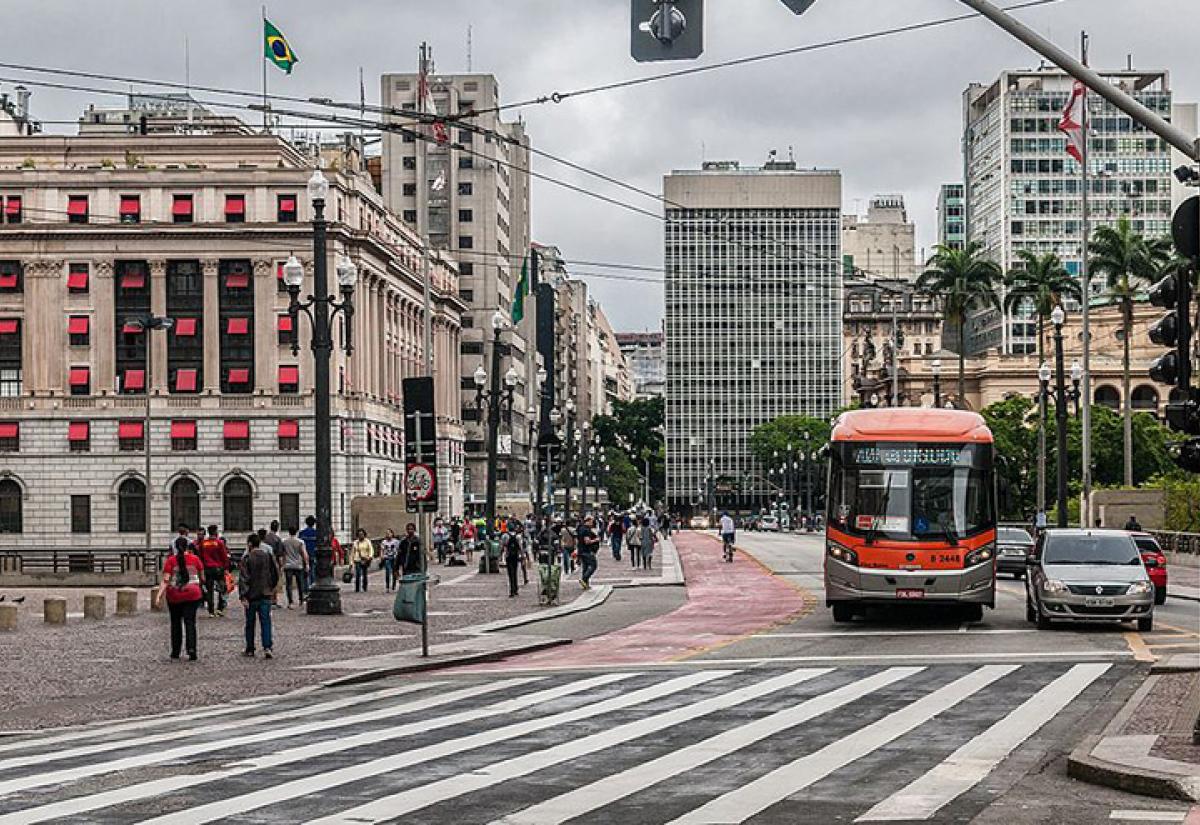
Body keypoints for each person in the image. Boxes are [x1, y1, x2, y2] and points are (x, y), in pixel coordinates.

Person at [159, 535, 204, 661]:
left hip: (174, 595)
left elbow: (166, 579)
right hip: (193, 594)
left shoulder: (171, 560)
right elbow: (203, 578)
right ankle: (192, 649)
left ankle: (175, 651)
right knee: (190, 622)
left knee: (175, 623)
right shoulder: (195, 559)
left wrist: (159, 595)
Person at [238, 533, 279, 658]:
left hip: (251, 595)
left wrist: (243, 595)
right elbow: (275, 574)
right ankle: (267, 647)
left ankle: (250, 648)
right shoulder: (267, 556)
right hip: (265, 593)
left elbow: (244, 578)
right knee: (266, 622)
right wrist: (271, 587)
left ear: (250, 544)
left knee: (250, 623)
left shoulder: (247, 558)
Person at [197, 525, 229, 618]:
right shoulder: (219, 543)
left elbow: (200, 556)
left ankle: (211, 610)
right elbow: (224, 556)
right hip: (218, 568)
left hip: (207, 569)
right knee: (222, 589)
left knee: (209, 590)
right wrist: (226, 567)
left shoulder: (203, 543)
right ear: (215, 532)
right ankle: (219, 609)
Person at [280, 525, 308, 608]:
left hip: (288, 565)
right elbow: (304, 553)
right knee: (300, 583)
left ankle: (290, 602)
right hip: (298, 565)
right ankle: (301, 600)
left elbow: (283, 554)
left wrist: (282, 565)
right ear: (296, 532)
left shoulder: (284, 541)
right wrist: (306, 564)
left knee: (289, 584)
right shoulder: (300, 542)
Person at [576, 515, 601, 590]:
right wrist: (596, 540)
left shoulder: (580, 528)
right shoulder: (586, 530)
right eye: (592, 521)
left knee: (585, 567)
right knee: (593, 565)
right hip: (587, 550)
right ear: (588, 521)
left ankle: (585, 584)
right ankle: (584, 579)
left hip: (581, 550)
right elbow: (587, 541)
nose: (592, 523)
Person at [502, 519, 524, 597]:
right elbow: (520, 547)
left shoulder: (505, 535)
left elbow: (503, 546)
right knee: (515, 572)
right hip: (516, 555)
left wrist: (501, 556)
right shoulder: (518, 536)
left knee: (510, 573)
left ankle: (511, 590)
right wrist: (522, 555)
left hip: (508, 555)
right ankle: (515, 589)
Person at [299, 516, 318, 587]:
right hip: (313, 554)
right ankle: (312, 586)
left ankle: (305, 587)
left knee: (304, 572)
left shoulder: (302, 533)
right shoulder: (316, 533)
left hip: (304, 555)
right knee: (312, 571)